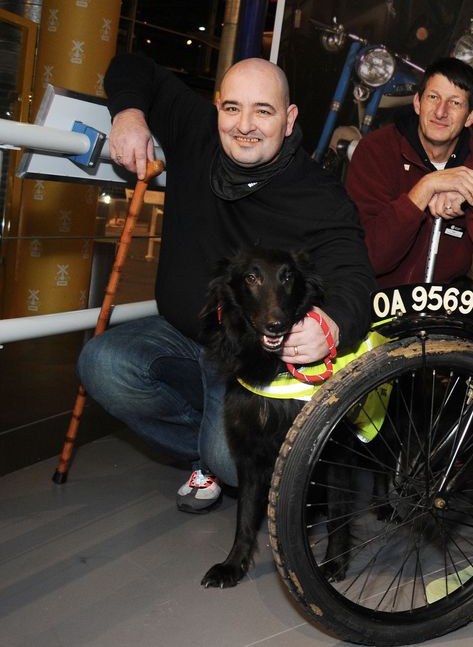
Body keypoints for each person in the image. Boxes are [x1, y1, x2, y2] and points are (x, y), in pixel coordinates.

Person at [76, 54, 376, 513]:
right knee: (102, 363)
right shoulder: (197, 132)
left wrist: (332, 323)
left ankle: (219, 454)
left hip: (248, 359)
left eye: (264, 110)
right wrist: (129, 115)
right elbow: (135, 66)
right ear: (217, 107)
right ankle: (207, 445)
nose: (244, 125)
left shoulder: (318, 196)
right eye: (232, 108)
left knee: (230, 463)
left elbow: (355, 275)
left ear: (290, 118)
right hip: (182, 334)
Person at [345, 57, 473, 288]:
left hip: (442, 309)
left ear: (471, 116)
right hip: (373, 300)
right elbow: (367, 257)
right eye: (433, 97)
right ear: (417, 103)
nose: (440, 112)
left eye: (455, 103)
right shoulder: (377, 151)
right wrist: (425, 188)